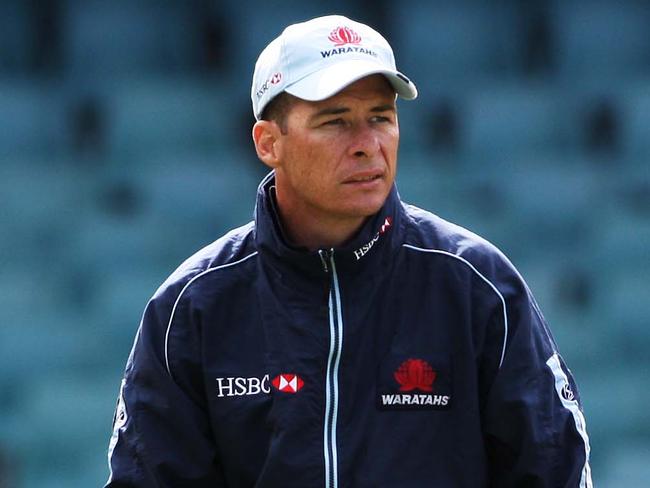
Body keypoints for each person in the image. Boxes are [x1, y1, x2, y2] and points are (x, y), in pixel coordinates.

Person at [105, 15, 592, 487]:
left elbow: (555, 471)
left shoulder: (477, 286)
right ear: (269, 142)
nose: (367, 145)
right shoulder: (192, 308)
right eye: (335, 122)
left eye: (381, 117)